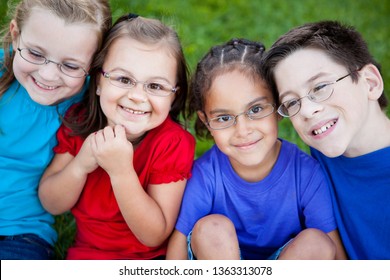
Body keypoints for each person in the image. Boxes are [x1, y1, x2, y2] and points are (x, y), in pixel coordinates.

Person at [166, 38, 346, 260]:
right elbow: (178, 241)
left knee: (318, 243)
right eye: (224, 117)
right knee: (212, 228)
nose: (243, 130)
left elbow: (336, 254)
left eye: (256, 109)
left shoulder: (306, 174)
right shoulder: (206, 174)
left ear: (279, 107)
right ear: (206, 121)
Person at [38, 13, 195, 260]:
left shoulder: (172, 143)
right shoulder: (80, 122)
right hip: (89, 255)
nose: (137, 96)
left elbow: (154, 235)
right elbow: (52, 203)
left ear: (174, 95)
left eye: (155, 86)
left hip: (147, 262)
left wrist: (121, 171)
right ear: (99, 81)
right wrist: (80, 165)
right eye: (124, 79)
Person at [262, 20, 390, 260]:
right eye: (291, 102)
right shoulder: (321, 155)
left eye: (320, 87)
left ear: (370, 83)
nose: (307, 111)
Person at [0, 0, 111, 260]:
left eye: (70, 65)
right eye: (36, 54)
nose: (48, 75)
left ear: (94, 63)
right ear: (16, 36)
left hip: (21, 231)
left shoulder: (89, 106)